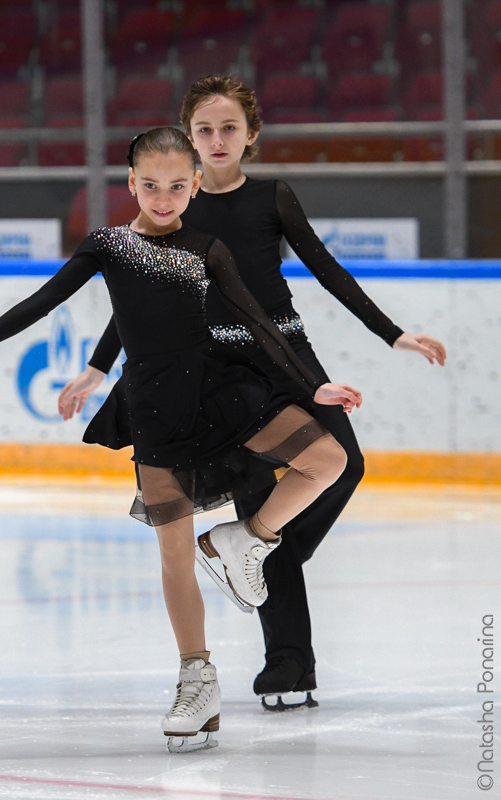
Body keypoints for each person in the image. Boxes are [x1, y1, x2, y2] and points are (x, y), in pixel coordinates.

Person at [0, 127, 362, 752]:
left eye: (177, 185)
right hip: (155, 411)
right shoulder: (108, 244)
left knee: (329, 457)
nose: (163, 196)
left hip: (220, 393)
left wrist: (310, 386)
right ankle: (196, 680)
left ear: (195, 185)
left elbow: (260, 326)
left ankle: (246, 538)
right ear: (130, 183)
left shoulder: (208, 247)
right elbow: (45, 300)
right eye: (149, 184)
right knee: (175, 555)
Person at [57, 76, 447, 711]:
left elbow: (328, 268)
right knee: (264, 494)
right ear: (187, 138)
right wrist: (101, 367)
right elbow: (134, 299)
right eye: (204, 130)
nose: (216, 140)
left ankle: (255, 543)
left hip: (288, 355)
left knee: (341, 469)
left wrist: (393, 334)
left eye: (228, 129)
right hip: (220, 371)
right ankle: (288, 662)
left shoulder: (272, 197)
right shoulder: (174, 205)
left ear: (251, 136)